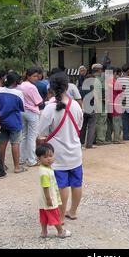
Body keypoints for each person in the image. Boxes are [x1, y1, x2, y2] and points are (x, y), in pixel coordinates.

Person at [38, 71, 83, 224]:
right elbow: (79, 126)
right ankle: (73, 212)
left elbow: (42, 133)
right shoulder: (76, 105)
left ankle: (61, 217)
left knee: (62, 186)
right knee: (76, 183)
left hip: (57, 154)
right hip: (75, 152)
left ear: (51, 87)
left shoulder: (49, 109)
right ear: (66, 86)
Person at [36, 143, 71, 238]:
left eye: (51, 156)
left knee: (43, 215)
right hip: (49, 197)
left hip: (43, 199)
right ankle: (60, 231)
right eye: (45, 157)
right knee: (54, 214)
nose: (49, 158)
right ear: (39, 159)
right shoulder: (44, 172)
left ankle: (44, 232)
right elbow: (46, 186)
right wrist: (48, 198)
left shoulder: (45, 168)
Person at [0, 72, 26, 174]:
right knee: (15, 143)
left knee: (2, 143)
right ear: (15, 82)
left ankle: (1, 165)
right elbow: (22, 107)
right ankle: (17, 167)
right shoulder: (18, 93)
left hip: (1, 121)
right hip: (14, 121)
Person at [17, 68, 43, 167]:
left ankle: (22, 158)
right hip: (32, 112)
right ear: (28, 76)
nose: (36, 78)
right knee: (32, 137)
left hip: (22, 111)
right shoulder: (32, 87)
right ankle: (32, 160)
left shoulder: (19, 86)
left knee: (24, 136)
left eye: (37, 76)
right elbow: (38, 101)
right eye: (34, 76)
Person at [79, 70, 97, 149]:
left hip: (83, 109)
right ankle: (89, 144)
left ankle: (81, 143)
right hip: (92, 109)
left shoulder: (80, 88)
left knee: (82, 127)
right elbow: (96, 99)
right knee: (91, 127)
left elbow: (79, 99)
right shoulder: (93, 89)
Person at [111, 68, 123, 144]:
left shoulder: (107, 81)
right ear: (115, 73)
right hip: (116, 104)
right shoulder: (115, 82)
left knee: (110, 123)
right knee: (117, 122)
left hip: (109, 103)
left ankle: (109, 138)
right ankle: (117, 139)